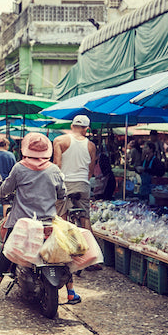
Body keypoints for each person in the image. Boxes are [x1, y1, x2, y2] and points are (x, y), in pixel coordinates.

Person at [0, 133, 65, 301]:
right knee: (62, 254)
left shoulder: (20, 167)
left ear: (26, 149)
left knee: (7, 251)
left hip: (22, 221)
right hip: (48, 221)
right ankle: (71, 292)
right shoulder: (55, 169)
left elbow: (6, 188)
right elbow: (62, 193)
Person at [53, 114, 97, 303]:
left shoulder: (60, 140)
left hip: (66, 183)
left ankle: (62, 251)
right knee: (85, 217)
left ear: (72, 125)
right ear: (87, 128)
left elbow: (57, 165)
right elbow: (91, 168)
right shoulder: (91, 145)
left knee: (60, 219)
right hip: (83, 184)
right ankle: (92, 255)